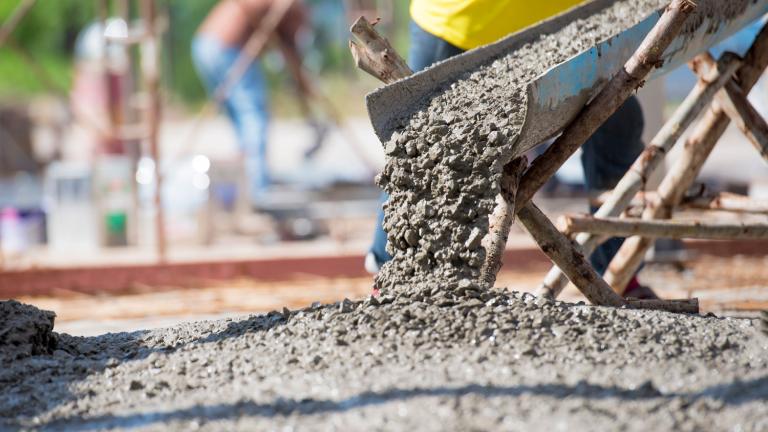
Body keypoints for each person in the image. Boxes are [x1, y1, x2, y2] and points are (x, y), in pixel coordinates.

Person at [365, 0, 657, 299]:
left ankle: (620, 272)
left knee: (618, 124)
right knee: (425, 147)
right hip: (461, 26)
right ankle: (393, 278)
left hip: (566, 29)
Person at [192, 0, 309, 205]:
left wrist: (301, 85)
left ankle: (245, 181)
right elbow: (291, 50)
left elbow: (288, 51)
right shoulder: (291, 8)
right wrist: (302, 85)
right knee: (253, 114)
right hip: (226, 47)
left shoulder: (282, 9)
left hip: (204, 44)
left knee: (241, 120)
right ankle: (257, 189)